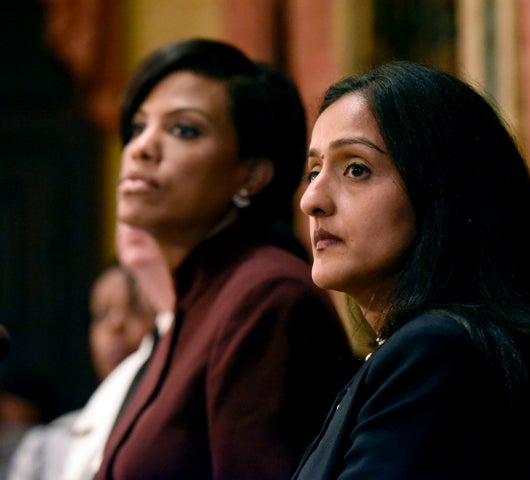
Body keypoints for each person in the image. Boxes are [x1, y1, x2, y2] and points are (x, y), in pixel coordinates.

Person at [292, 61, 530, 479]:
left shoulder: (435, 351)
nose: (311, 201)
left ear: (441, 189)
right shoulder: (429, 346)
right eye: (313, 171)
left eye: (356, 169)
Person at [95, 38, 358, 479]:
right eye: (138, 127)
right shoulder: (192, 301)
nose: (141, 148)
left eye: (184, 130)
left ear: (251, 174)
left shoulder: (266, 296)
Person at [7, 227, 162, 480]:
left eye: (135, 309)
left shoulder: (173, 434)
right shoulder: (48, 446)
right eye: (101, 314)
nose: (116, 325)